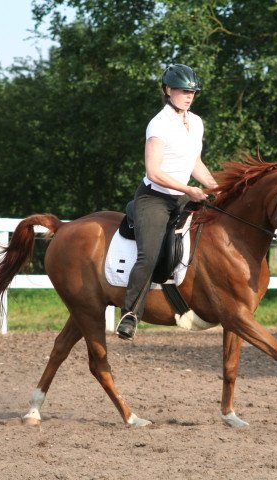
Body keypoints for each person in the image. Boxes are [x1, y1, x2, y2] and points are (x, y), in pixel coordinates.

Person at [116, 63, 218, 340]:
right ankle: (130, 313)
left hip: (183, 196)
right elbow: (154, 172)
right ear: (167, 90)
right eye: (184, 91)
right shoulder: (159, 124)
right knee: (148, 253)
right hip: (155, 198)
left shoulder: (195, 122)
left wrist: (214, 186)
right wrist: (189, 189)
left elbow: (193, 162)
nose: (189, 96)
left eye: (193, 92)